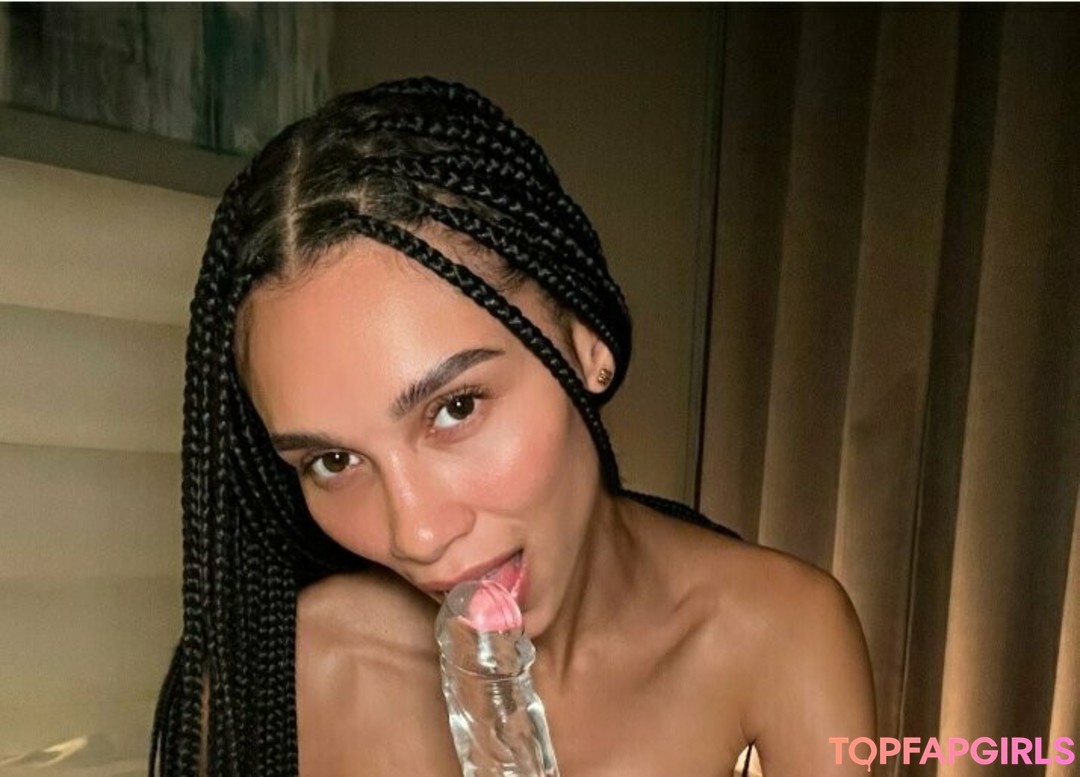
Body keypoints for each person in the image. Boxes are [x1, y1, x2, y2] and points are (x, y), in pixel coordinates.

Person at [151, 77, 876, 777]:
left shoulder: (782, 633)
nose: (416, 536)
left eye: (456, 408)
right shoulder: (285, 677)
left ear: (586, 340)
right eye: (334, 460)